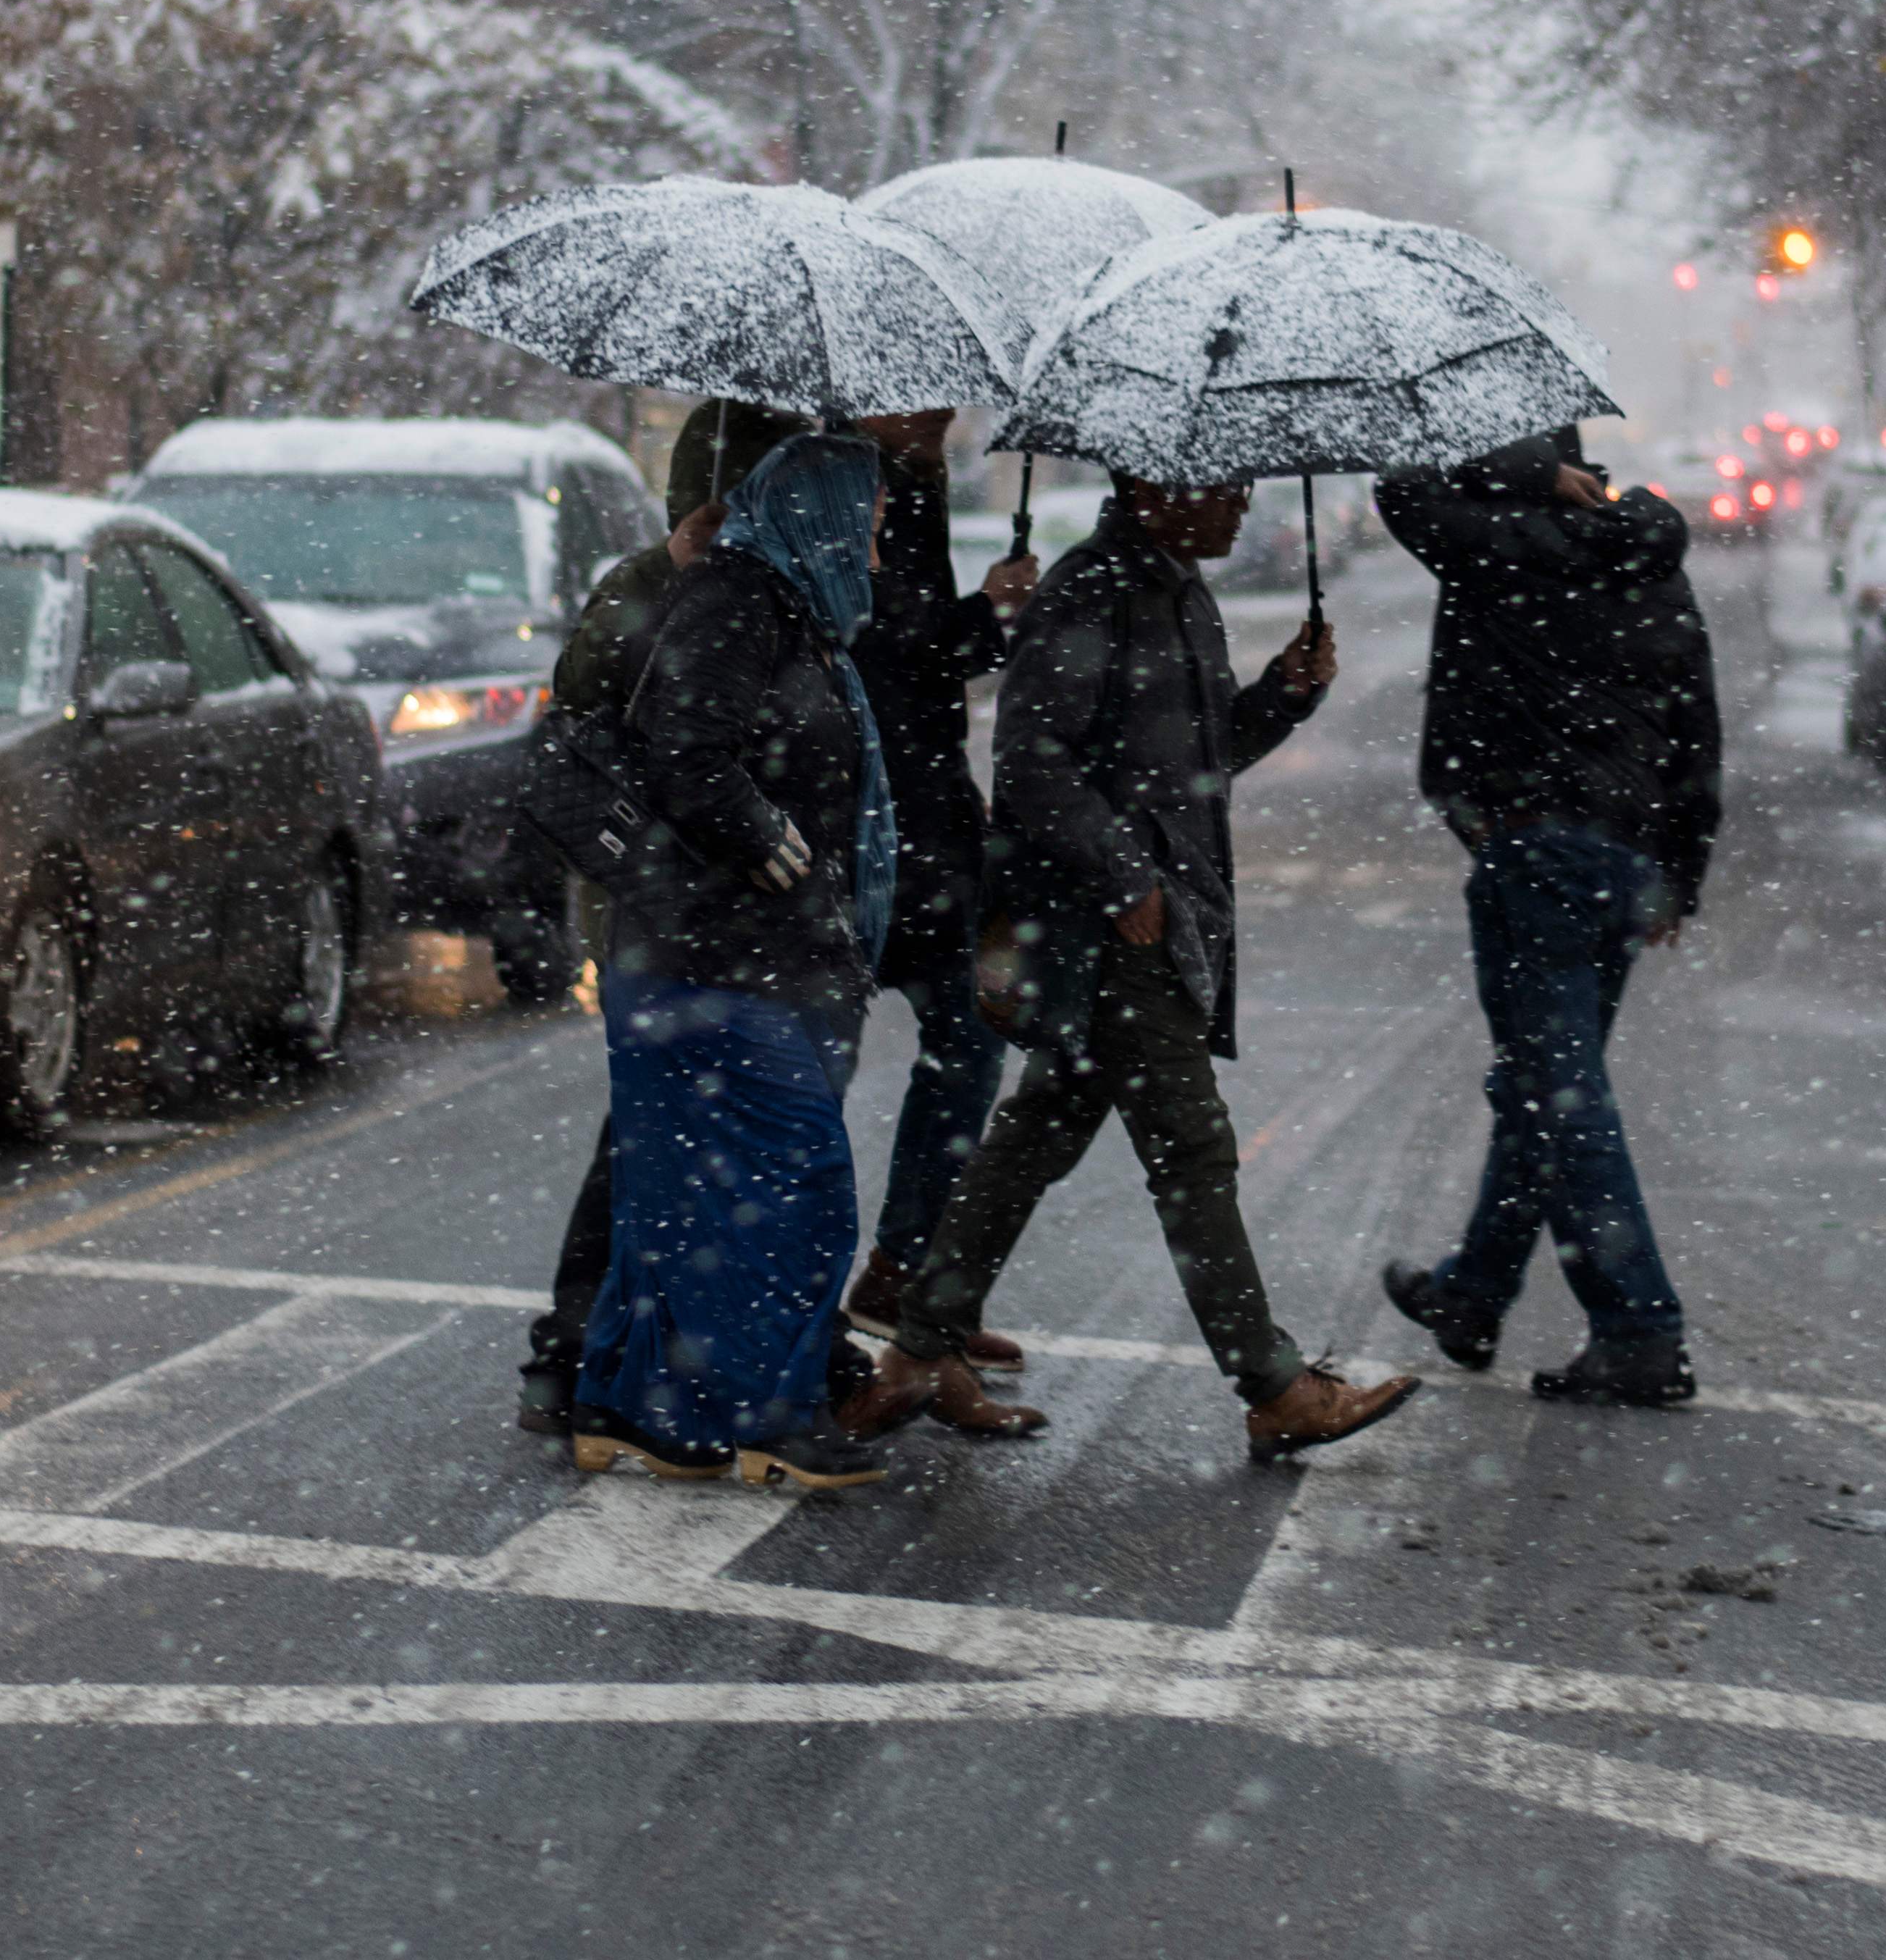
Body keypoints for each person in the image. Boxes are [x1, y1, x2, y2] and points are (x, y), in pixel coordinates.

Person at [849, 472, 1419, 1462]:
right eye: (1224, 485)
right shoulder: (1089, 591)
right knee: (1192, 1151)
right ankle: (1273, 1385)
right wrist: (1121, 876)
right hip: (1109, 927)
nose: (1240, 503)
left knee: (1037, 1130)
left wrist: (1284, 696)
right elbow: (1029, 762)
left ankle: (918, 1349)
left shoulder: (1180, 592)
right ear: (1157, 485)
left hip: (1157, 914)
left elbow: (1194, 761)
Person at [571, 430, 903, 1490]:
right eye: (871, 520)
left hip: (710, 952)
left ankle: (634, 1407)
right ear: (817, 516)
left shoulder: (795, 612)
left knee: (681, 1199)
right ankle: (771, 1412)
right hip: (710, 953)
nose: (882, 542)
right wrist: (763, 834)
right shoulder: (736, 602)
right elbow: (686, 754)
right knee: (799, 1187)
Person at [1372, 425, 1722, 1408]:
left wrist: (1514, 477)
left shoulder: (1500, 539)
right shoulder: (1647, 549)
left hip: (1535, 850)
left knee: (1560, 1097)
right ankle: (1472, 1293)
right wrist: (1678, 874)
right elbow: (1698, 722)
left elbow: (1399, 489)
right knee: (1543, 1086)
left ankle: (1637, 1325)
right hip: (1621, 858)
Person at [513, 398, 795, 1436]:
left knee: (706, 1125)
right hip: (659, 901)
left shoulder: (771, 597)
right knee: (654, 1124)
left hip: (731, 898)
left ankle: (668, 1341)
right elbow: (584, 728)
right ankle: (579, 1343)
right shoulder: (645, 589)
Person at [837, 409, 1041, 1365]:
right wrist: (979, 616)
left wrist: (987, 618)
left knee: (968, 1040)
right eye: (922, 395)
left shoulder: (913, 483)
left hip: (927, 817)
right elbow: (874, 652)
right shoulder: (838, 485)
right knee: (810, 1074)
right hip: (856, 827)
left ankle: (907, 1279)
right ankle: (819, 1314)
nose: (945, 414)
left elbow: (922, 663)